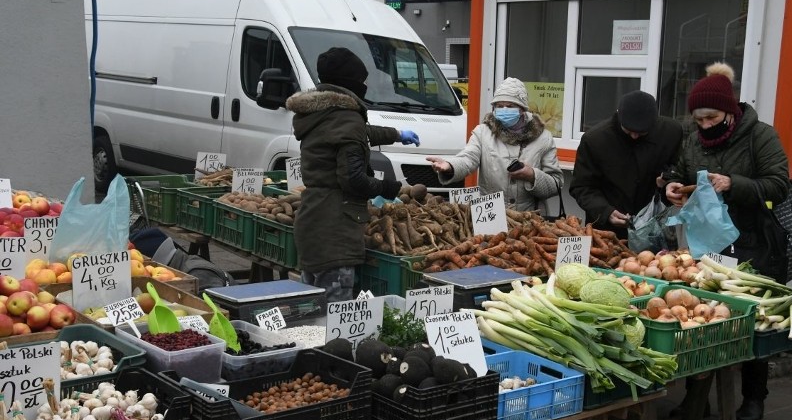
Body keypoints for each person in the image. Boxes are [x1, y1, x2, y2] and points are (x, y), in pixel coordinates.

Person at [665, 62, 790, 420]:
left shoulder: (760, 136)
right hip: (709, 243)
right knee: (701, 318)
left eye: (711, 118)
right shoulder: (692, 137)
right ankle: (696, 398)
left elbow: (778, 185)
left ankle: (753, 397)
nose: (704, 125)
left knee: (750, 319)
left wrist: (733, 183)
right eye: (698, 119)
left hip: (753, 241)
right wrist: (671, 185)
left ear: (730, 111)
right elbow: (679, 169)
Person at [286, 47, 420, 302]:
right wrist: (388, 188)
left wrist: (397, 134)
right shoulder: (346, 120)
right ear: (351, 84)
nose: (366, 85)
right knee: (334, 311)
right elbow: (354, 179)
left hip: (312, 221)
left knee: (313, 305)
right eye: (362, 80)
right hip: (336, 228)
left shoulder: (320, 114)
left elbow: (360, 133)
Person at [425, 77, 563, 213]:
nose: (504, 110)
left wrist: (532, 175)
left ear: (522, 109)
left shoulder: (543, 138)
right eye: (499, 106)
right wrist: (450, 166)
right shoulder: (483, 132)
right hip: (491, 215)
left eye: (510, 106)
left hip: (530, 219)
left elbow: (556, 184)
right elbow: (468, 158)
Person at [569, 90, 683, 239]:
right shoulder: (594, 140)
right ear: (619, 116)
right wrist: (605, 212)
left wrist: (669, 180)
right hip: (606, 232)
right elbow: (582, 187)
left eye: (642, 133)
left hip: (655, 229)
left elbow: (677, 167)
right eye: (628, 130)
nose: (635, 136)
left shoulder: (671, 132)